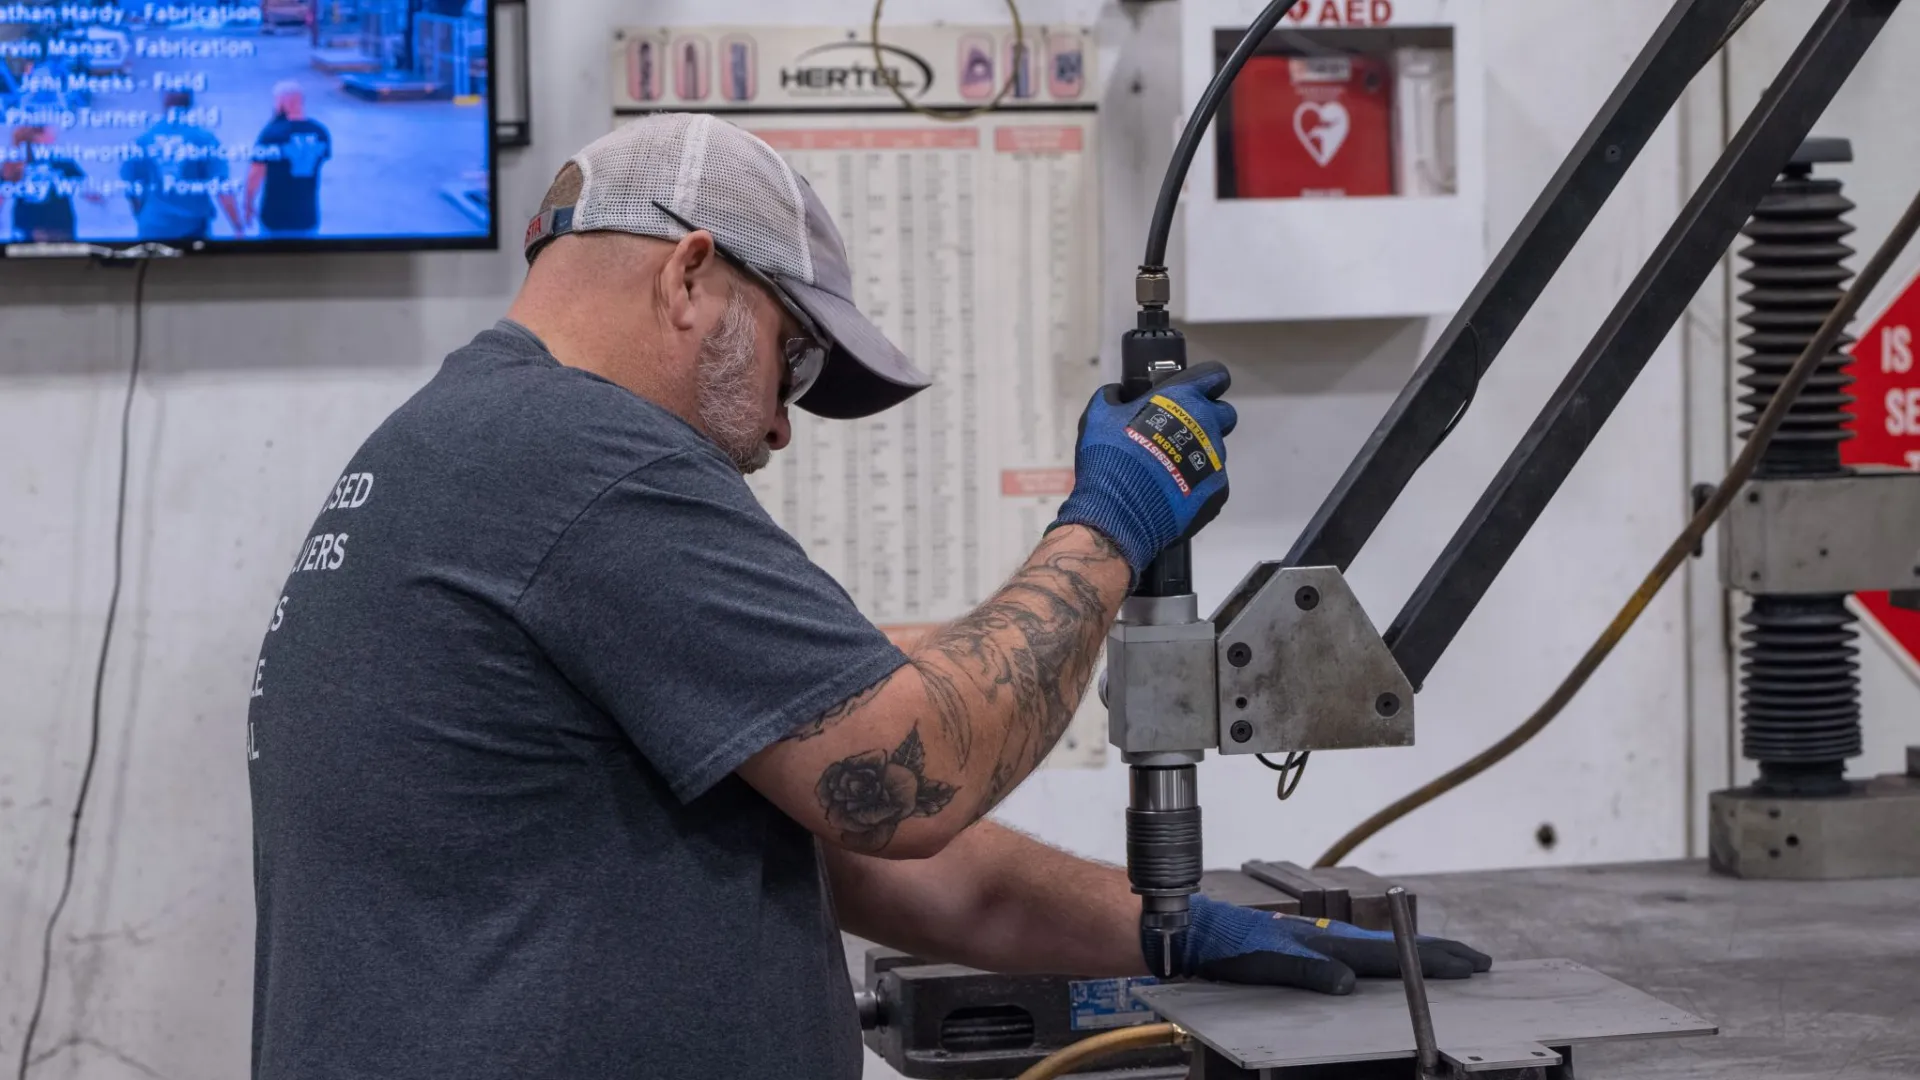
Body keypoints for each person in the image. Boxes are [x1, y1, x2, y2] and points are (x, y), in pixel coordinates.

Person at [245, 113, 1490, 1080]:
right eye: (794, 359)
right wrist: (1115, 519)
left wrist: (1175, 930)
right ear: (690, 275)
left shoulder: (468, 447)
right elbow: (912, 775)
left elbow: (877, 845)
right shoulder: (583, 460)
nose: (784, 429)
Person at [120, 89, 243, 240]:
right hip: (193, 230)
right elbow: (222, 187)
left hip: (152, 228)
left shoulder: (143, 140)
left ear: (164, 103)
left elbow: (129, 184)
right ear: (191, 104)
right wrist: (237, 226)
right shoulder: (204, 139)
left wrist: (141, 213)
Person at [244, 80, 331, 238]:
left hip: (275, 218)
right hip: (307, 216)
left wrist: (248, 204)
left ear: (282, 102)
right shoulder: (321, 132)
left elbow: (255, 174)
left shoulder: (272, 133)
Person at [4, 123, 103, 242]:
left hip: (57, 229)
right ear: (37, 136)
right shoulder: (14, 163)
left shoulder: (60, 160)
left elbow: (88, 191)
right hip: (31, 230)